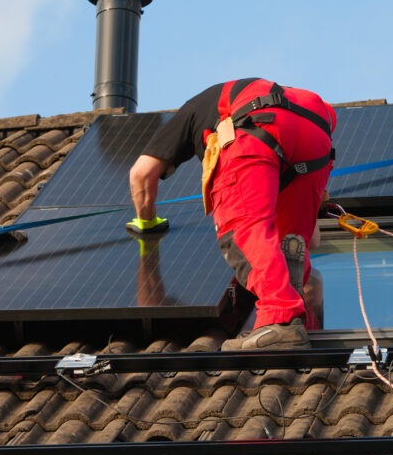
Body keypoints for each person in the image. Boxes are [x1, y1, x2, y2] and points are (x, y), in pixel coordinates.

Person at [128, 78, 335, 350]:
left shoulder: (192, 109)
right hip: (316, 130)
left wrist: (147, 222)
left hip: (258, 126)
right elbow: (314, 240)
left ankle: (280, 319)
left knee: (244, 226)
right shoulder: (240, 96)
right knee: (292, 238)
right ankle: (297, 319)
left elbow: (141, 174)